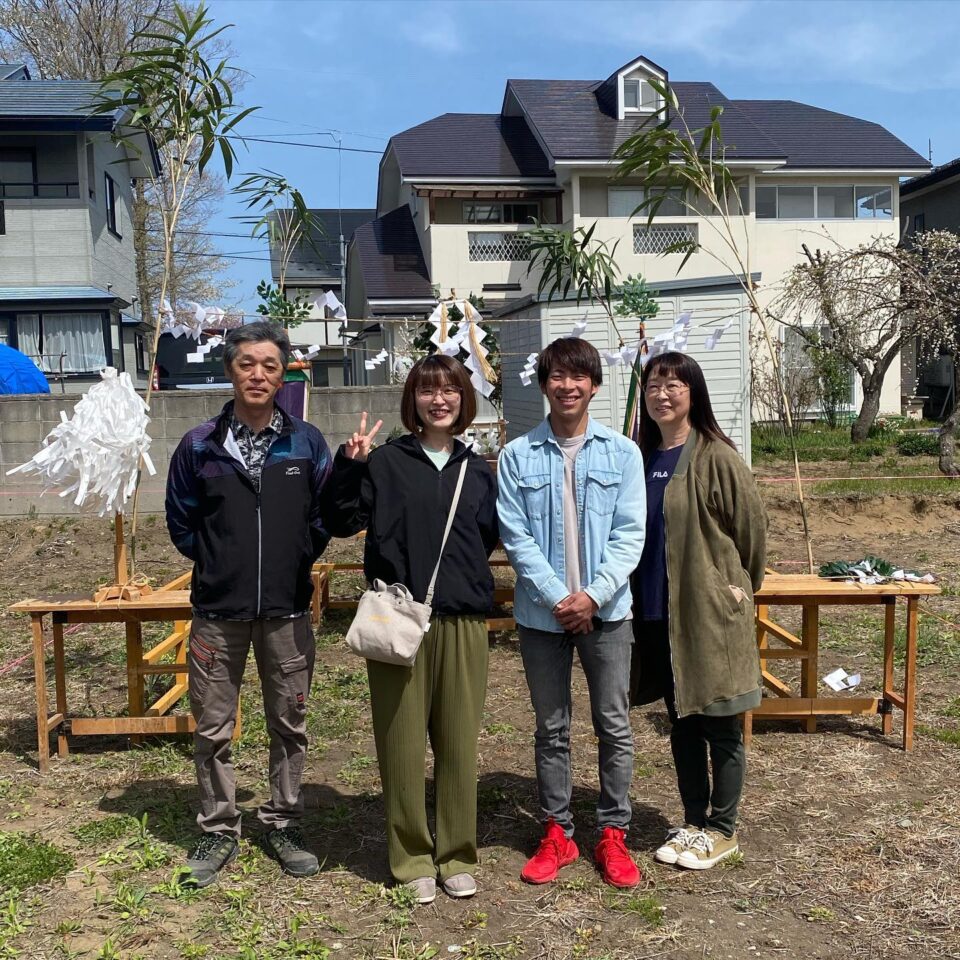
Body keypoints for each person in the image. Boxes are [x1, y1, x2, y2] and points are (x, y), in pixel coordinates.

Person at [325, 354, 499, 905]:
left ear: (463, 400)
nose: (439, 399)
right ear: (413, 401)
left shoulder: (478, 468)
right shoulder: (386, 462)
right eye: (428, 390)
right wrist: (349, 464)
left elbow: (489, 538)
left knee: (459, 744)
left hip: (464, 621)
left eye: (450, 389)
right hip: (398, 619)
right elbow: (340, 521)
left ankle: (456, 854)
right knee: (400, 742)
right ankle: (410, 857)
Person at [165, 321, 333, 888]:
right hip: (219, 613)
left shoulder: (306, 442)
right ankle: (217, 828)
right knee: (212, 727)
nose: (258, 374)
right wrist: (223, 564)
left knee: (290, 723)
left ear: (283, 371)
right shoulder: (199, 445)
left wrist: (290, 561)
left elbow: (320, 521)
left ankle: (282, 821)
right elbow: (182, 525)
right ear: (230, 370)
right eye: (247, 364)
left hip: (287, 611)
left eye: (269, 364)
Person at [497, 338, 646, 889]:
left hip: (608, 615)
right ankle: (557, 831)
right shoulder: (517, 456)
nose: (567, 386)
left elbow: (631, 535)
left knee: (614, 724)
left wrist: (594, 596)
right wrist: (562, 597)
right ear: (543, 384)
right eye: (557, 376)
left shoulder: (622, 453)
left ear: (594, 386)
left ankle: (613, 833)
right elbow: (516, 538)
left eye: (578, 377)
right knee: (551, 727)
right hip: (543, 617)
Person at [630, 351, 766, 870]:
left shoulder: (716, 456)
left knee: (721, 719)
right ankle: (693, 822)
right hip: (656, 613)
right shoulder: (642, 458)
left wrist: (730, 591)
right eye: (654, 385)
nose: (662, 394)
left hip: (707, 613)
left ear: (694, 392)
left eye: (673, 384)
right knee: (682, 719)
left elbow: (751, 537)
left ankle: (723, 828)